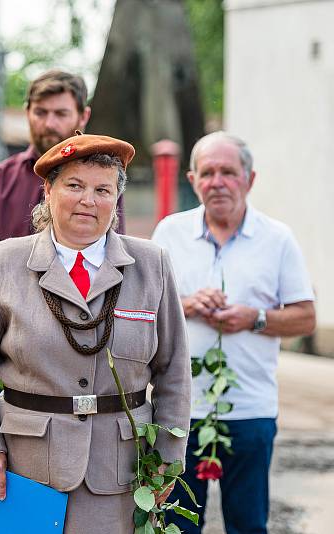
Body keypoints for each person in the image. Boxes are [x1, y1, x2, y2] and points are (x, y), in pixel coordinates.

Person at [0, 133, 191, 533]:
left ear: (116, 200)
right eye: (75, 186)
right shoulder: (4, 261)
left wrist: (168, 455)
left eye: (103, 189)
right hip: (24, 470)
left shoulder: (151, 264)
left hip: (119, 473)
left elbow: (173, 370)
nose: (88, 200)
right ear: (48, 190)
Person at [152, 131, 316, 533]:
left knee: (247, 524)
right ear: (192, 180)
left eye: (228, 171)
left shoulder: (277, 239)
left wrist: (255, 318)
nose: (217, 182)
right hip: (179, 413)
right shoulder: (169, 234)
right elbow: (143, 311)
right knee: (176, 525)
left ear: (249, 179)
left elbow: (306, 317)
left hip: (250, 411)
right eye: (207, 173)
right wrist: (187, 304)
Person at [0, 69, 125, 260]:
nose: (49, 123)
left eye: (61, 114)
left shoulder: (103, 178)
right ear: (27, 112)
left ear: (84, 116)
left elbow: (114, 253)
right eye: (41, 112)